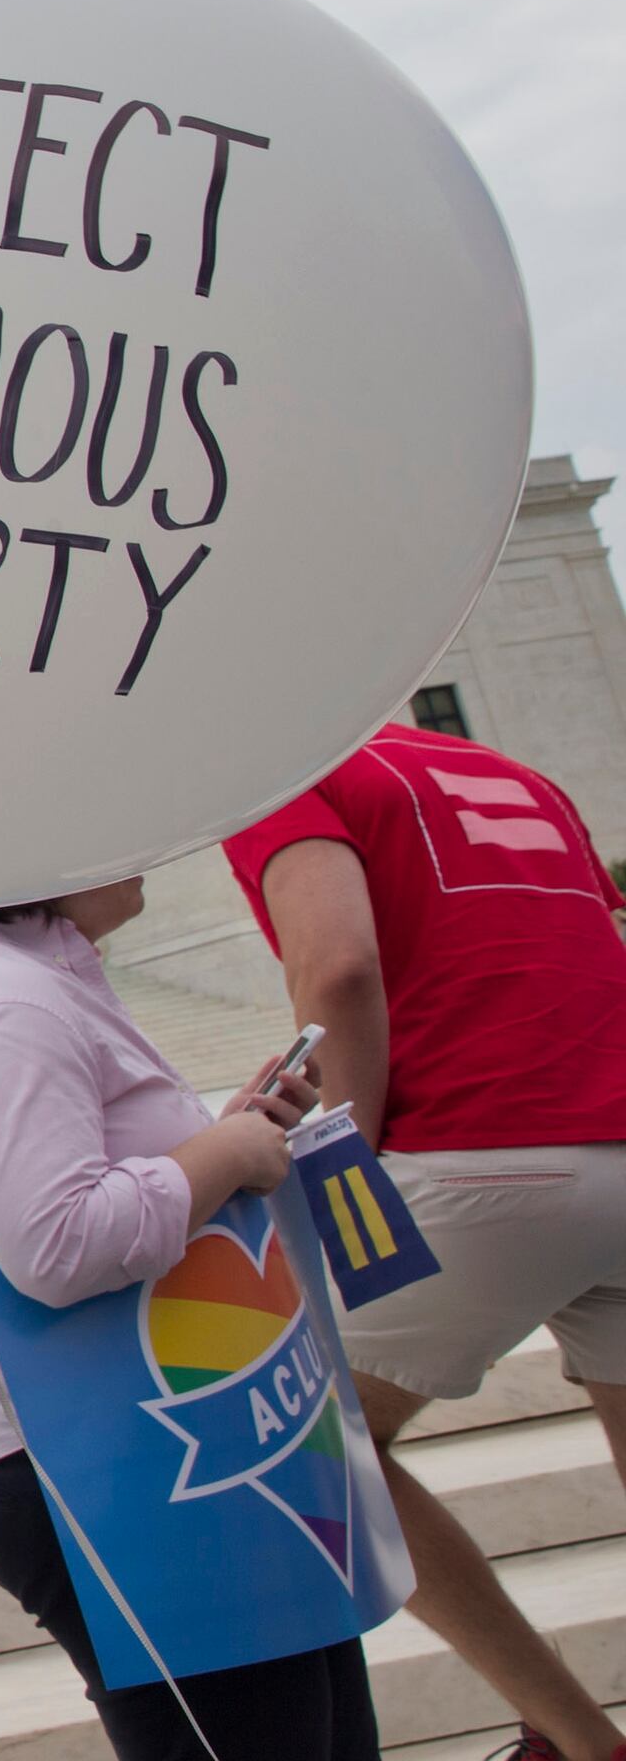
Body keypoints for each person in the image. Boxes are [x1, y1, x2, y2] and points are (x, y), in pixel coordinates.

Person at [225, 722, 626, 1761]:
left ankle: (579, 1744)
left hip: (484, 1156)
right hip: (617, 1128)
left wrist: (338, 1178)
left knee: (308, 1452)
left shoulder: (283, 761)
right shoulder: (509, 769)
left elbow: (342, 969)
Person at [0, 880, 366, 1759]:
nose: (149, 845)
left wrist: (223, 1143)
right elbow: (57, 1244)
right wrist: (222, 1154)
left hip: (168, 1439)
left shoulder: (42, 982)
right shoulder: (4, 1002)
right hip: (106, 1459)